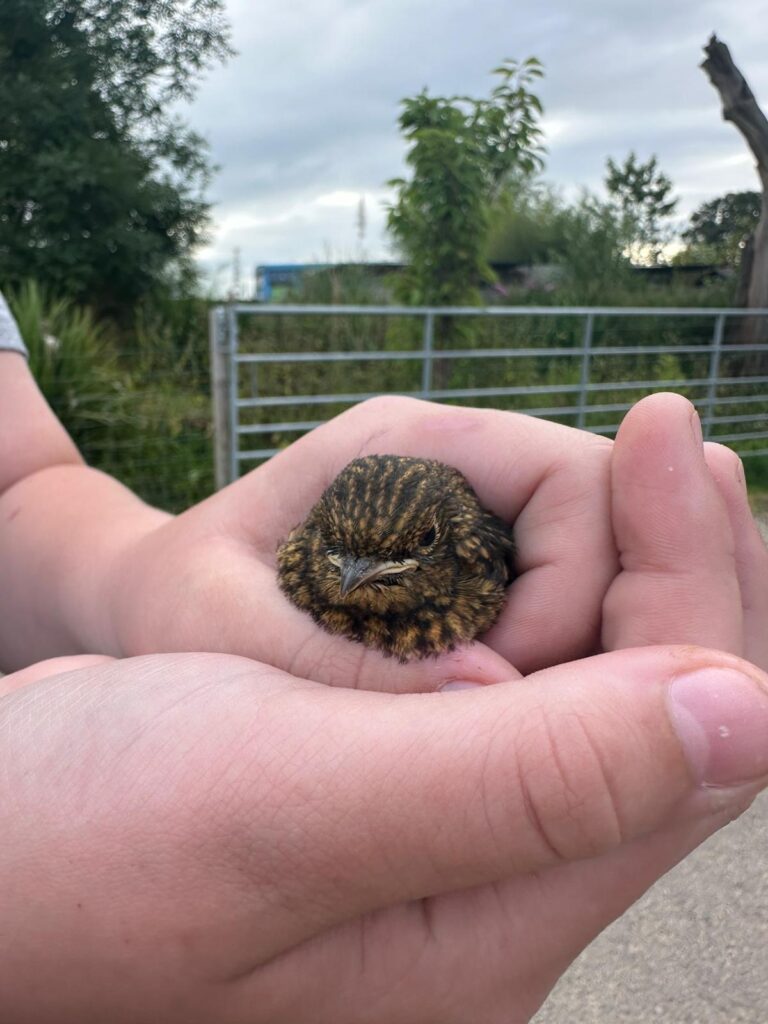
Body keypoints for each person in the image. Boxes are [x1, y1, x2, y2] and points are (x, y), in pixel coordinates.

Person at [0, 290, 767, 1023]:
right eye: (339, 558)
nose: (353, 578)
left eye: (404, 555)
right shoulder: (314, 565)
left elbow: (22, 482)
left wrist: (139, 579)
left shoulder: (478, 567)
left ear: (456, 545)